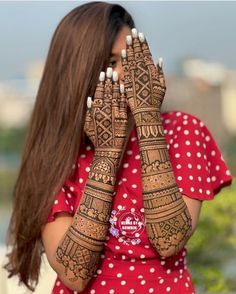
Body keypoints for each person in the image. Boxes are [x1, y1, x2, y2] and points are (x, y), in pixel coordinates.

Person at [3, 2, 232, 294]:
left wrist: (148, 122)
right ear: (78, 76)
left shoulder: (182, 132)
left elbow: (170, 240)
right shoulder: (56, 155)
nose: (126, 75)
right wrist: (107, 152)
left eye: (130, 59)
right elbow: (75, 274)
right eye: (111, 64)